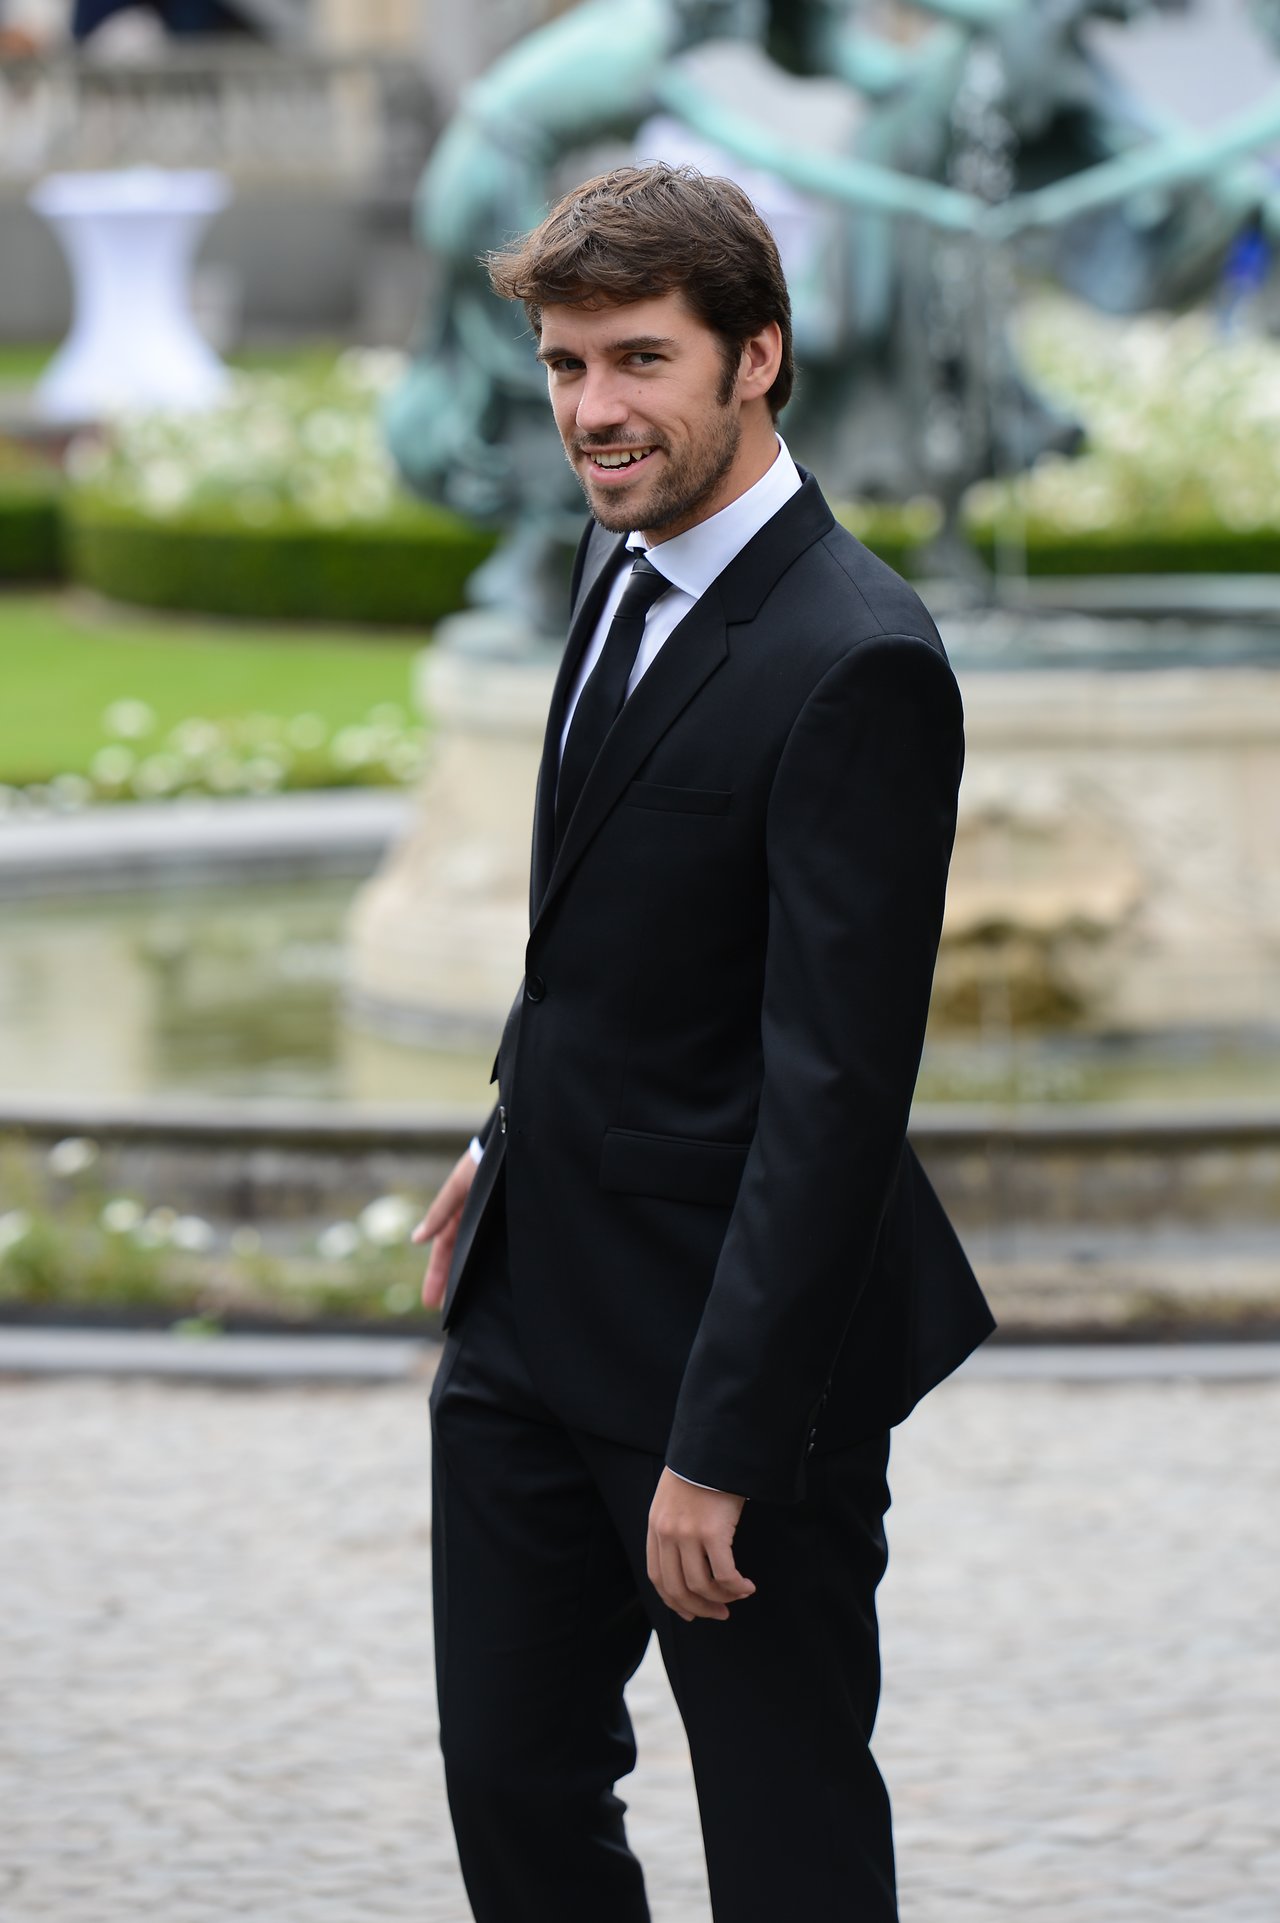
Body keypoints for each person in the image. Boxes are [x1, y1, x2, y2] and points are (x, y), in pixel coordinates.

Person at [413, 161, 995, 1923]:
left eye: (639, 360)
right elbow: (601, 923)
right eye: (566, 364)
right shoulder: (623, 562)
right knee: (510, 1784)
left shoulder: (860, 657)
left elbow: (836, 1092)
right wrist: (506, 1132)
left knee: (786, 1833)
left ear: (760, 356)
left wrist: (722, 1444)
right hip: (530, 1312)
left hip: (741, 1369)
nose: (594, 409)